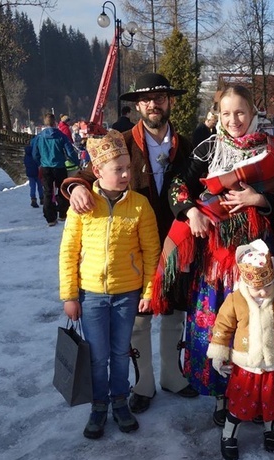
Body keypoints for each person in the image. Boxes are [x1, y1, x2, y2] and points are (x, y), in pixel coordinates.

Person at [154, 84, 274, 426]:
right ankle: (224, 395)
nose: (233, 120)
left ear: (253, 114)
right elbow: (179, 186)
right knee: (220, 329)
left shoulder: (273, 152)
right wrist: (191, 212)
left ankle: (260, 393)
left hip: (259, 260)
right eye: (226, 113)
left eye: (240, 113)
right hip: (216, 266)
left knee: (259, 327)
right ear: (217, 115)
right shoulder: (207, 150)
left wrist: (260, 201)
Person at [61, 73, 199, 414]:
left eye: (161, 97)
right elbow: (88, 172)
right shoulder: (120, 141)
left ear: (171, 101)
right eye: (146, 99)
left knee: (174, 311)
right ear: (138, 105)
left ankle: (172, 375)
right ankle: (143, 383)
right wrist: (76, 187)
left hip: (177, 243)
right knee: (138, 318)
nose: (154, 104)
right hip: (133, 249)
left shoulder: (187, 146)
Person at [59, 130, 161, 439]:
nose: (127, 174)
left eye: (129, 167)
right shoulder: (83, 205)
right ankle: (98, 405)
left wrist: (147, 293)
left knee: (119, 353)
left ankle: (120, 401)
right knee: (96, 355)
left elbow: (151, 252)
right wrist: (70, 295)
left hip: (126, 295)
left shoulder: (140, 205)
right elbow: (69, 251)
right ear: (98, 171)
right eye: (118, 169)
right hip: (91, 296)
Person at [207, 239, 274, 460]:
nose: (263, 292)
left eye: (268, 286)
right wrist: (219, 354)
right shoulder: (235, 300)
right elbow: (222, 327)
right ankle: (229, 435)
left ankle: (271, 431)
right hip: (246, 367)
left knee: (273, 404)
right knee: (238, 406)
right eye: (257, 288)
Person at [31, 113, 79, 226]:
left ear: (45, 123)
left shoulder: (39, 137)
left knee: (48, 192)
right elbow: (69, 151)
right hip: (59, 166)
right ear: (55, 123)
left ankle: (50, 218)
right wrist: (77, 162)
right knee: (62, 190)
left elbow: (35, 153)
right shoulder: (61, 135)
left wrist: (40, 162)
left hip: (46, 167)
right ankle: (63, 214)